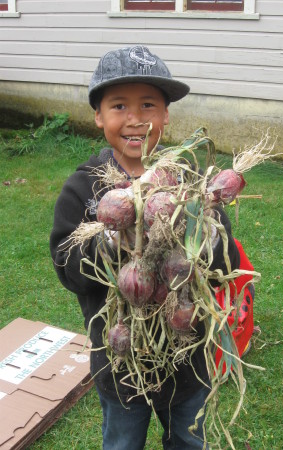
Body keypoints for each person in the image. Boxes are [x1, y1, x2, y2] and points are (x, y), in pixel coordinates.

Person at [50, 45, 242, 450]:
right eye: (119, 105)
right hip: (119, 363)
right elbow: (67, 267)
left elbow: (228, 260)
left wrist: (197, 233)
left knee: (189, 440)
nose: (135, 119)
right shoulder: (84, 188)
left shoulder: (191, 185)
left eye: (148, 105)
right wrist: (111, 237)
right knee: (122, 443)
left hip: (189, 360)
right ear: (98, 115)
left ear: (166, 114)